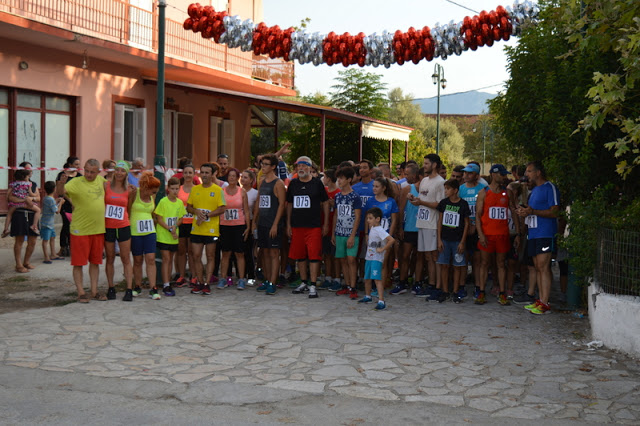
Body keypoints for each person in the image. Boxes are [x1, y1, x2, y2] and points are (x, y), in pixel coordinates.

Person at [56, 159, 107, 303]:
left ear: (98, 172)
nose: (89, 174)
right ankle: (81, 292)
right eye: (87, 171)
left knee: (95, 262)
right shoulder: (75, 182)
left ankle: (94, 291)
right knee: (78, 263)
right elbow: (60, 192)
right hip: (80, 230)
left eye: (92, 172)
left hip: (98, 229)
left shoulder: (102, 181)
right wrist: (61, 182)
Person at [516, 160, 560, 315]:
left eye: (529, 171)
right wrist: (524, 212)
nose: (526, 174)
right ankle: (541, 300)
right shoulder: (534, 190)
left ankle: (545, 303)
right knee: (537, 267)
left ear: (538, 172)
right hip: (534, 233)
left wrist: (532, 212)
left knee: (543, 266)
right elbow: (531, 210)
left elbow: (555, 211)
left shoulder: (550, 187)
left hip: (545, 233)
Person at [475, 164, 521, 305]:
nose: (504, 177)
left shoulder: (507, 193)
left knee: (501, 264)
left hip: (502, 235)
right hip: (487, 235)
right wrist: (481, 234)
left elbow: (513, 212)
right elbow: (478, 215)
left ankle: (502, 293)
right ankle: (481, 292)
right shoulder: (484, 192)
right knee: (484, 263)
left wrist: (518, 233)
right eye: (502, 174)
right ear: (494, 175)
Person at [288, 156, 329, 299]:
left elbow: (325, 203)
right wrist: (288, 223)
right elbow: (289, 204)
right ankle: (304, 282)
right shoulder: (293, 184)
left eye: (303, 166)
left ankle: (313, 284)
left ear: (310, 168)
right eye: (298, 166)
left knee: (314, 255)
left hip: (313, 226)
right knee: (300, 256)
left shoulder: (317, 183)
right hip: (297, 226)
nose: (300, 168)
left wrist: (326, 224)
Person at [186, 163, 226, 295]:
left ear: (212, 174)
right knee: (196, 256)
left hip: (211, 229)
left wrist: (207, 215)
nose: (204, 175)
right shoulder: (195, 189)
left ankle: (207, 283)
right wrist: (196, 211)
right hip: (197, 228)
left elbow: (222, 208)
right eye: (202, 172)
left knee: (210, 256)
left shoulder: (218, 190)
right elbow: (189, 207)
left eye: (207, 173)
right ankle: (199, 281)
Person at [412, 154, 446, 297]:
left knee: (434, 255)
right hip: (422, 221)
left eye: (427, 163)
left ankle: (436, 285)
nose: (424, 166)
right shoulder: (424, 180)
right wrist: (414, 200)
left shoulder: (440, 182)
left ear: (434, 165)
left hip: (433, 223)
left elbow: (440, 204)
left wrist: (421, 202)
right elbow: (423, 199)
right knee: (427, 256)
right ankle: (431, 283)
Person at [253, 154, 287, 295]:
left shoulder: (278, 183)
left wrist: (275, 224)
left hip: (274, 223)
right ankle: (267, 280)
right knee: (264, 252)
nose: (263, 166)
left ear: (273, 166)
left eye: (266, 164)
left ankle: (273, 281)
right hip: (262, 222)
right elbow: (259, 202)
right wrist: (255, 221)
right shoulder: (261, 181)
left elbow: (281, 205)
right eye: (262, 164)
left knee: (274, 253)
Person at [436, 179, 471, 303]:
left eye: (448, 189)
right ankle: (445, 291)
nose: (446, 191)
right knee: (444, 265)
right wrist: (439, 239)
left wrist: (462, 241)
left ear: (455, 190)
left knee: (457, 266)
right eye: (445, 189)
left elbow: (467, 223)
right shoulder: (443, 203)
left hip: (457, 240)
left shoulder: (463, 204)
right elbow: (440, 221)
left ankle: (456, 291)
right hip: (445, 239)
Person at [104, 161, 134, 301]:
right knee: (109, 258)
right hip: (108, 226)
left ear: (126, 173)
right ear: (114, 171)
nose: (120, 173)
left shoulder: (130, 190)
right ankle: (111, 287)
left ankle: (129, 289)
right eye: (118, 170)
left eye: (123, 170)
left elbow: (129, 208)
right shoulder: (106, 186)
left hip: (123, 225)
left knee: (125, 258)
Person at [363, 177, 399, 294]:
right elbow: (367, 219)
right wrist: (367, 234)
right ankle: (372, 286)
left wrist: (390, 234)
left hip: (385, 236)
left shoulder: (391, 201)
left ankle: (380, 288)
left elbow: (394, 219)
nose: (374, 188)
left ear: (384, 188)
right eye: (373, 186)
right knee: (372, 260)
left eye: (377, 186)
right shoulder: (370, 201)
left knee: (383, 262)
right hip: (373, 237)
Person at [331, 166, 362, 299]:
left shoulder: (355, 196)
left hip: (350, 233)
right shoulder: (337, 196)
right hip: (339, 232)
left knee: (351, 260)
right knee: (343, 260)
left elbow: (358, 217)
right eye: (338, 178)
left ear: (349, 179)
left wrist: (352, 235)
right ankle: (347, 285)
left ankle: (353, 287)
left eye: (342, 178)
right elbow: (336, 215)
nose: (339, 180)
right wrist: (333, 233)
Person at [129, 171, 161, 299]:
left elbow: (153, 212)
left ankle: (153, 288)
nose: (154, 193)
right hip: (135, 231)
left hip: (149, 231)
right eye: (153, 191)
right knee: (137, 260)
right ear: (146, 188)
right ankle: (137, 286)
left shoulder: (152, 196)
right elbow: (128, 209)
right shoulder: (134, 193)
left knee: (150, 258)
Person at [459, 162, 488, 299]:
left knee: (478, 260)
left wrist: (476, 227)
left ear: (476, 175)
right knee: (463, 259)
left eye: (469, 173)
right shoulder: (460, 189)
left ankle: (478, 287)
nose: (466, 175)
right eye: (465, 172)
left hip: (478, 230)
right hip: (464, 229)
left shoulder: (484, 189)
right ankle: (462, 286)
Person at [154, 177, 186, 297]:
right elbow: (159, 218)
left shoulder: (179, 203)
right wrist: (168, 228)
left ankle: (167, 282)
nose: (175, 191)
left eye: (177, 189)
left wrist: (174, 227)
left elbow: (181, 218)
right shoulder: (163, 201)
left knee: (171, 259)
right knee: (166, 259)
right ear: (168, 189)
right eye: (172, 189)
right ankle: (166, 284)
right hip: (163, 235)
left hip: (174, 235)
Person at [218, 169, 250, 290]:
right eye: (230, 176)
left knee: (239, 253)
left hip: (239, 225)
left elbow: (246, 210)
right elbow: (219, 208)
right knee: (225, 253)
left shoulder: (242, 192)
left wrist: (248, 227)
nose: (231, 178)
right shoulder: (221, 192)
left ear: (237, 178)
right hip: (225, 225)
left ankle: (241, 279)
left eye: (234, 176)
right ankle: (223, 278)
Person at [358, 207, 395, 311]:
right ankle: (368, 296)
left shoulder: (380, 230)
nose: (368, 220)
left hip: (376, 258)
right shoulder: (372, 228)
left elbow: (391, 240)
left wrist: (383, 249)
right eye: (367, 218)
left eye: (370, 218)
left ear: (377, 219)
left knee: (377, 279)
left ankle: (381, 300)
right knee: (367, 278)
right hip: (369, 257)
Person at [393, 163, 422, 295]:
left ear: (414, 175)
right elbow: (400, 209)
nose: (405, 177)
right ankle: (402, 282)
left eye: (407, 174)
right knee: (405, 256)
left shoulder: (426, 188)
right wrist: (400, 226)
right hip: (409, 227)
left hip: (422, 227)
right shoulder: (407, 189)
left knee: (419, 257)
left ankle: (417, 282)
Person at [3, 169, 41, 237]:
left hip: (15, 204)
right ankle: (34, 226)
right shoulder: (28, 184)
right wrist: (34, 195)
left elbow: (8, 195)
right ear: (24, 177)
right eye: (27, 177)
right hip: (26, 203)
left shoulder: (13, 184)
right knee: (38, 210)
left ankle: (6, 229)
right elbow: (31, 193)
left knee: (9, 214)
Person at [175, 164, 196, 287]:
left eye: (190, 173)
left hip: (193, 223)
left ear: (194, 175)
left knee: (192, 251)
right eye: (186, 172)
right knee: (181, 250)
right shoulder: (179, 189)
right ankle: (181, 275)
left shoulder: (197, 189)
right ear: (182, 174)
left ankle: (194, 276)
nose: (188, 175)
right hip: (181, 223)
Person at [56, 156, 82, 257]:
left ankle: (73, 247)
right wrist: (71, 202)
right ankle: (63, 247)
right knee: (66, 225)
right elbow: (60, 190)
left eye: (79, 164)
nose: (78, 166)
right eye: (76, 164)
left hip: (76, 204)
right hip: (65, 203)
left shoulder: (79, 176)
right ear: (70, 165)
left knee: (74, 225)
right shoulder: (62, 175)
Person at [321, 168, 342, 291]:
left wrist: (334, 205)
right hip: (324, 226)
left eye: (324, 177)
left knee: (336, 255)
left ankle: (337, 278)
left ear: (329, 178)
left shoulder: (338, 193)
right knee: (327, 254)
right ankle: (328, 277)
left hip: (334, 227)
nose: (323, 179)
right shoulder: (324, 191)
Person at [241, 169, 258, 285]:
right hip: (237, 223)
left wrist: (252, 225)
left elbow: (256, 211)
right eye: (242, 177)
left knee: (249, 250)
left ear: (252, 180)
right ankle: (240, 274)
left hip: (250, 222)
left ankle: (251, 275)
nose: (242, 179)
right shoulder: (237, 191)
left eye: (246, 177)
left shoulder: (255, 193)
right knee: (238, 251)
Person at [40, 181, 65, 264]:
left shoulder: (47, 198)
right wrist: (60, 203)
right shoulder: (50, 200)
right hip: (47, 224)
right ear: (54, 189)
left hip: (49, 223)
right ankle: (46, 257)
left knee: (52, 238)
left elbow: (52, 205)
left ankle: (53, 254)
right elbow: (56, 211)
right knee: (46, 240)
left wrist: (56, 201)